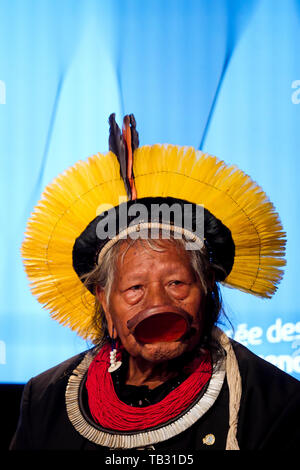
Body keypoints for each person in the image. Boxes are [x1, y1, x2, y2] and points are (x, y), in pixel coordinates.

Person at [10, 114, 300, 451]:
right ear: (104, 300)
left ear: (207, 290)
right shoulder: (48, 399)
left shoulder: (267, 401)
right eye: (135, 288)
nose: (158, 304)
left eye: (177, 283)